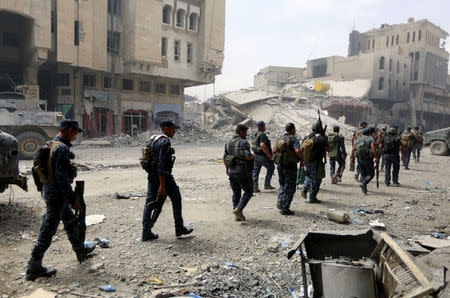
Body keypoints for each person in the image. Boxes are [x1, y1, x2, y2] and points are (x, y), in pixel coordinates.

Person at [26, 120, 95, 281]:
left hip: (50, 191)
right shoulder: (62, 149)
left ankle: (80, 249)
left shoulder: (51, 144)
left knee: (70, 221)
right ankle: (33, 267)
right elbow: (62, 178)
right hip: (57, 194)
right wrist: (72, 198)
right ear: (70, 130)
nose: (76, 135)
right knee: (48, 229)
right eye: (76, 132)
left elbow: (37, 171)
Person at [142, 121, 193, 241]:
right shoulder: (165, 142)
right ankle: (179, 228)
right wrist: (163, 186)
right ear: (165, 128)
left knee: (149, 203)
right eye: (172, 129)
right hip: (163, 177)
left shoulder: (153, 139)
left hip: (152, 176)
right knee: (176, 198)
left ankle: (145, 232)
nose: (174, 131)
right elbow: (162, 166)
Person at [224, 124, 254, 221]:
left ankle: (237, 214)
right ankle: (239, 209)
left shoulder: (228, 142)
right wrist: (254, 156)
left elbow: (224, 157)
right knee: (249, 191)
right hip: (242, 171)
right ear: (241, 132)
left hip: (231, 171)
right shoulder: (243, 142)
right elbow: (247, 156)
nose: (246, 134)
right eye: (245, 132)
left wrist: (227, 169)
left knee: (236, 192)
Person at [273, 123, 303, 214]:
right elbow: (297, 150)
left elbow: (273, 151)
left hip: (280, 166)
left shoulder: (280, 139)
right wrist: (302, 158)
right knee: (290, 187)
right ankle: (285, 208)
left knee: (282, 184)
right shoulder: (293, 139)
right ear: (292, 129)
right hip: (290, 166)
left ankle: (280, 201)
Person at [301, 122, 329, 203]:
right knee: (316, 179)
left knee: (308, 176)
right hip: (316, 162)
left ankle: (305, 188)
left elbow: (302, 148)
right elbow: (328, 149)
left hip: (307, 160)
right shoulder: (320, 138)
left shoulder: (306, 137)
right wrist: (325, 139)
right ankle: (312, 197)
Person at [251, 121, 275, 192]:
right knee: (271, 167)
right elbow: (262, 145)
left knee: (256, 171)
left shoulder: (254, 134)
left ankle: (255, 187)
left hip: (255, 155)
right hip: (262, 156)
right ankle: (267, 184)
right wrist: (268, 154)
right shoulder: (262, 135)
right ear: (262, 126)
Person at [353, 127, 378, 195]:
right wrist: (376, 157)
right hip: (368, 159)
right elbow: (373, 148)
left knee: (363, 174)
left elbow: (353, 149)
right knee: (371, 174)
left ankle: (364, 188)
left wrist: (352, 158)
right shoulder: (371, 139)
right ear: (369, 133)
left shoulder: (358, 139)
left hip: (360, 159)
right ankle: (364, 183)